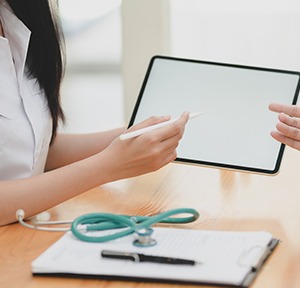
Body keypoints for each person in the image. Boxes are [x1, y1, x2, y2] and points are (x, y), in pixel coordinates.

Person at [0, 0, 189, 226]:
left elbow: (30, 151)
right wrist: (108, 166)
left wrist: (131, 138)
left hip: (24, 237)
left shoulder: (18, 15)